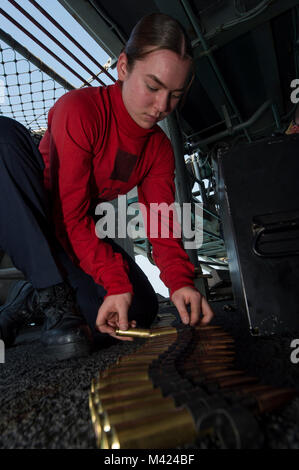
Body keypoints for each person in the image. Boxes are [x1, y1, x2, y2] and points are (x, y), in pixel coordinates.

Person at [0, 13, 214, 360]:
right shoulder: (80, 109)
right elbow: (66, 213)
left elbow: (160, 222)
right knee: (3, 137)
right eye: (153, 86)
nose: (162, 107)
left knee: (136, 310)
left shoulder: (158, 148)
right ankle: (49, 292)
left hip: (76, 230)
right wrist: (114, 280)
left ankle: (27, 301)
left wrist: (180, 282)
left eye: (175, 95)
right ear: (124, 67)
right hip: (32, 213)